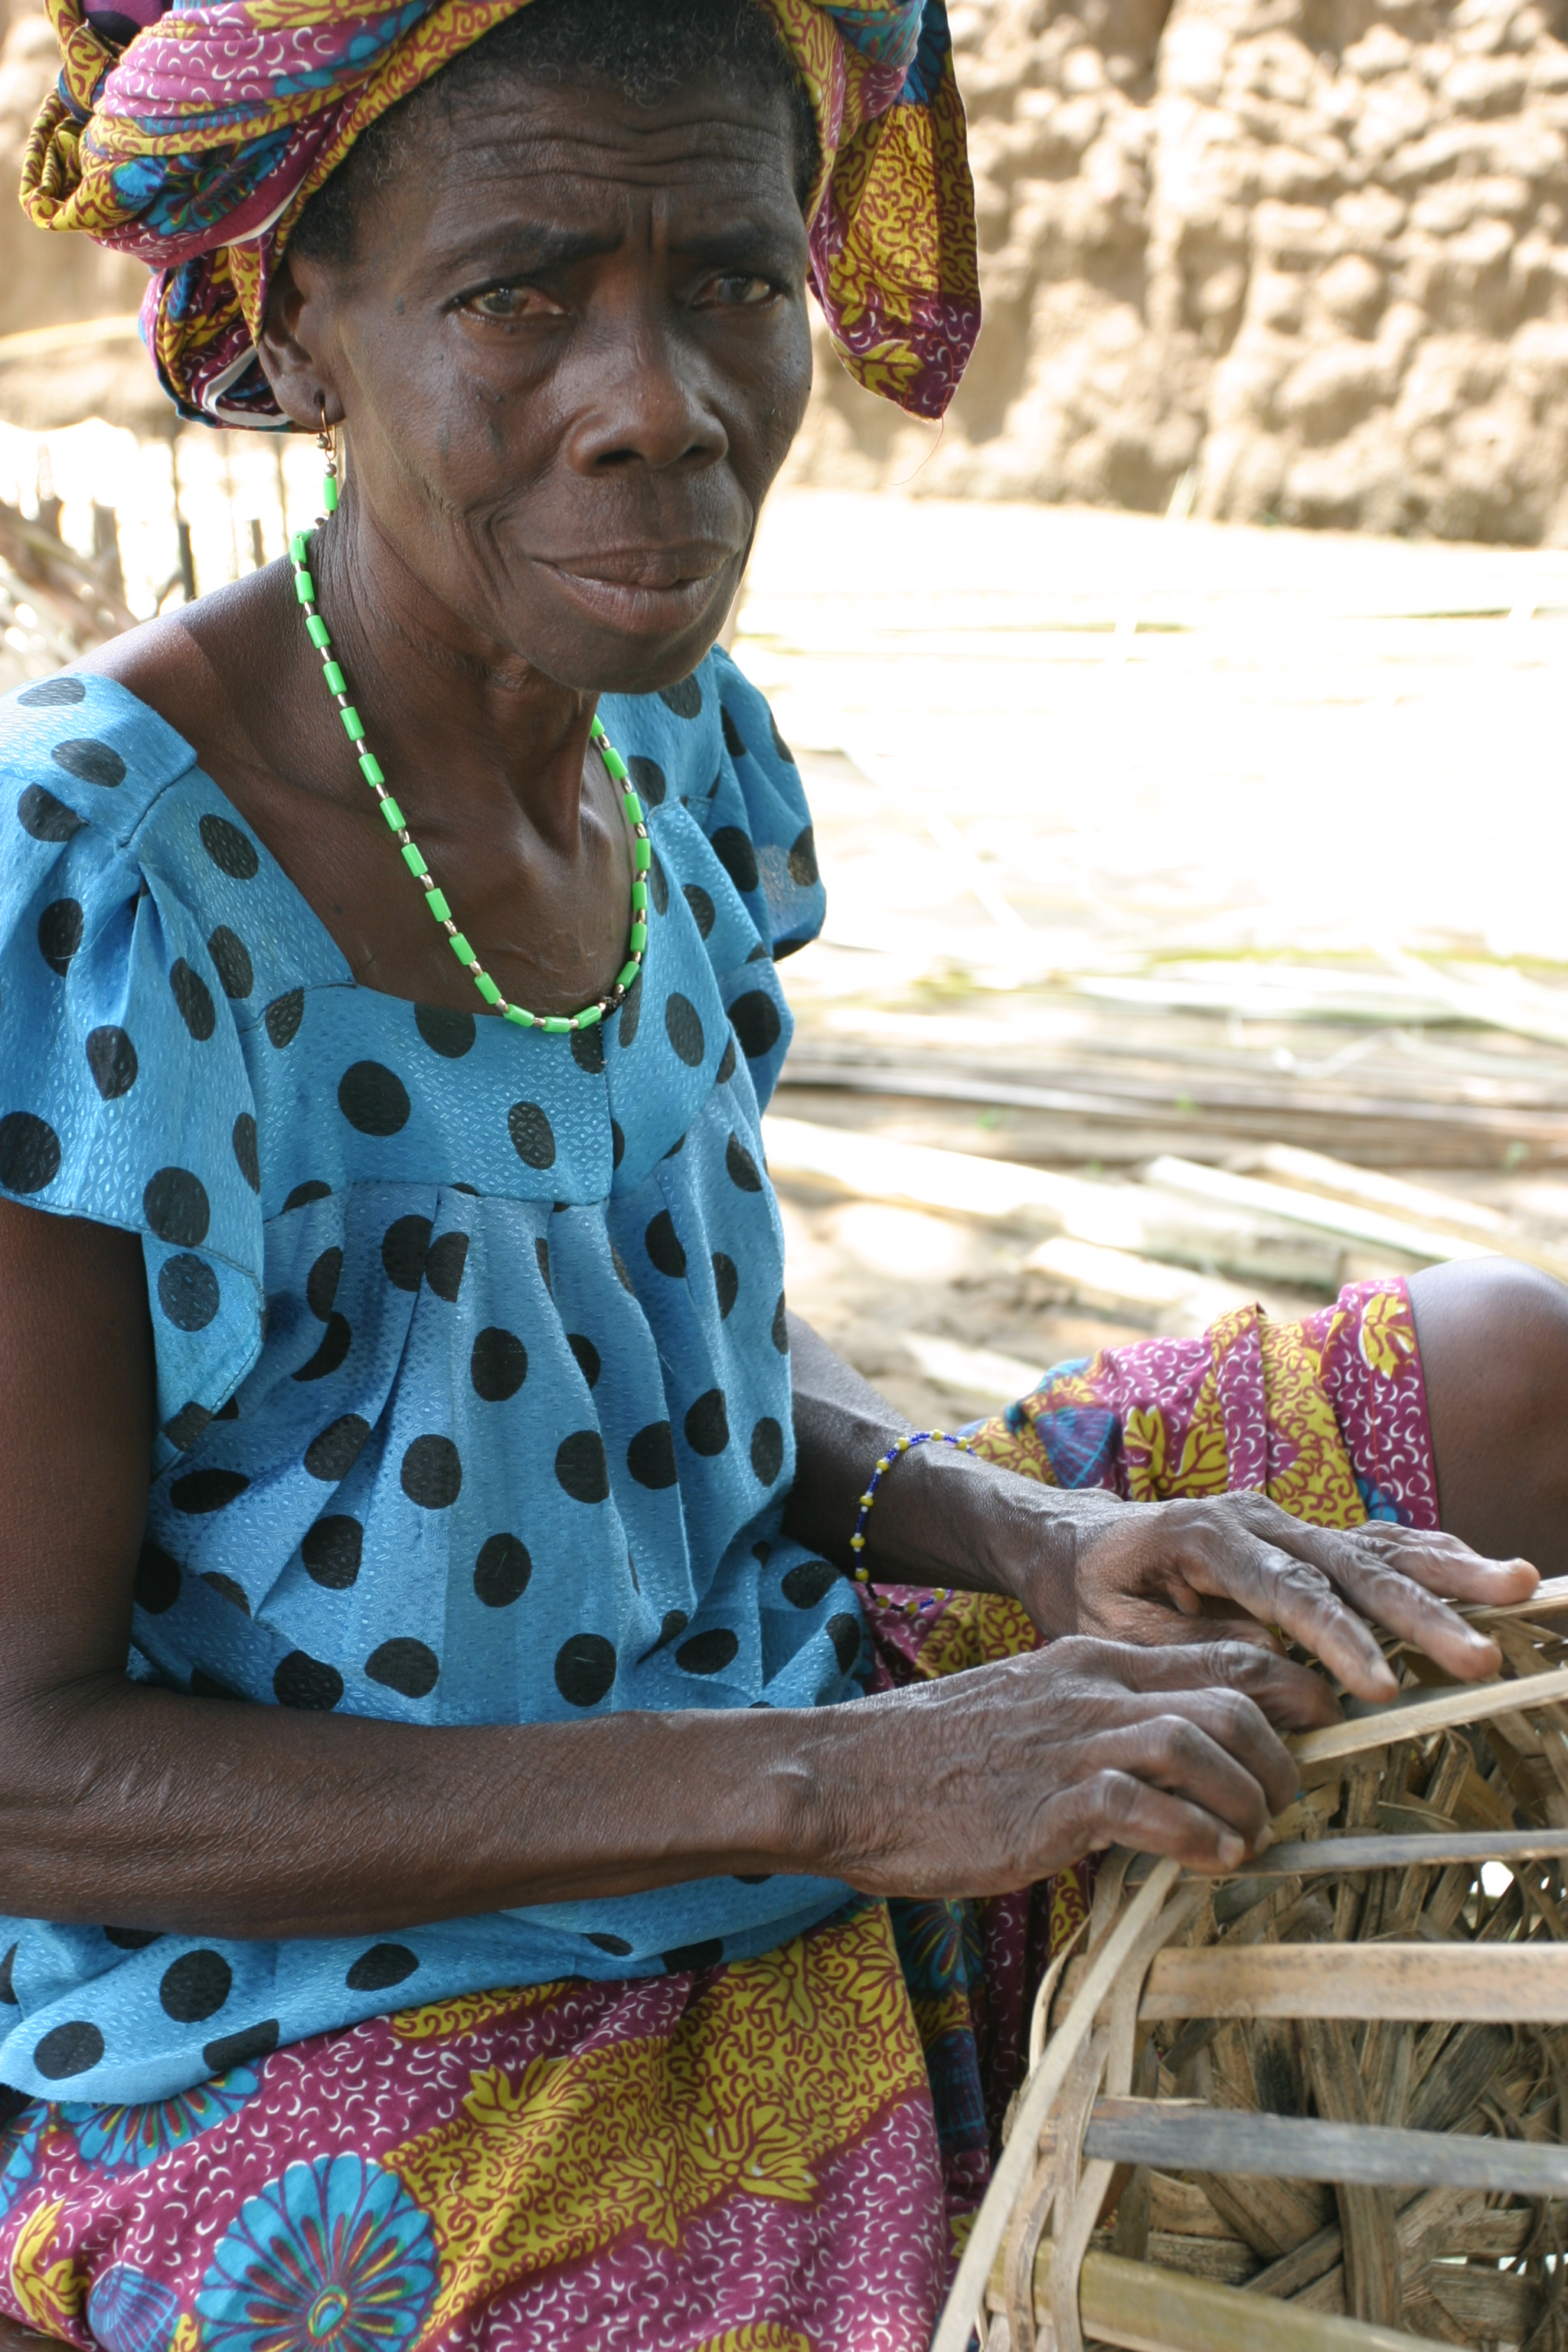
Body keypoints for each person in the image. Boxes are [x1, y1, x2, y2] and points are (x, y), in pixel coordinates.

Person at [0, 0, 1545, 2344]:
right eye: (520, 295)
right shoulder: (100, 882)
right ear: (300, 315)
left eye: (728, 280)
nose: (662, 405)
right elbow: (27, 1768)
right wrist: (842, 1780)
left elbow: (652, 1370)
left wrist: (1036, 1539)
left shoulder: (669, 734)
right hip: (331, 1989)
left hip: (787, 1712)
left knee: (1510, 1386)